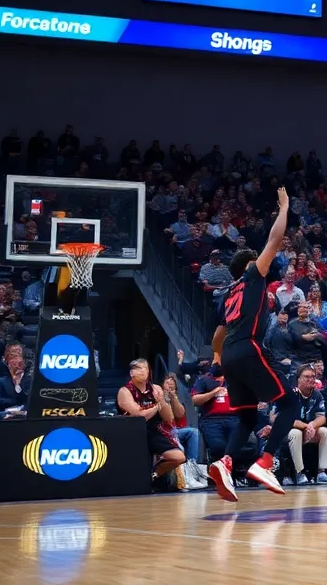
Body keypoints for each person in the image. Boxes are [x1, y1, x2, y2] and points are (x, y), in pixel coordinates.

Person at [207, 187, 299, 502]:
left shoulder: (227, 293)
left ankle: (225, 462)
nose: (265, 264)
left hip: (230, 355)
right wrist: (284, 208)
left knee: (247, 417)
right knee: (290, 404)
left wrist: (217, 359)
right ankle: (265, 461)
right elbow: (274, 240)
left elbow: (217, 336)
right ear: (250, 266)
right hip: (247, 348)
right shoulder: (253, 277)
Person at [117, 359, 186, 485]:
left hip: (155, 429)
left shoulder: (156, 389)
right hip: (133, 430)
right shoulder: (125, 391)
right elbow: (139, 416)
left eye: (146, 368)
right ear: (132, 373)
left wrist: (163, 402)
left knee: (179, 457)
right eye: (140, 368)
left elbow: (168, 418)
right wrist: (157, 406)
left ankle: (154, 474)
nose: (144, 371)